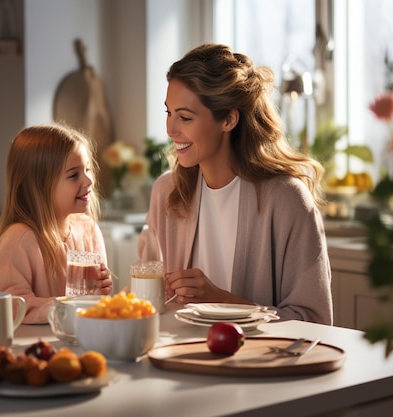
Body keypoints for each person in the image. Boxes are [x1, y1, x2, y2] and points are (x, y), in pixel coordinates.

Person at [139, 43, 332, 324]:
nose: (170, 130)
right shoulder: (167, 192)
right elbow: (148, 300)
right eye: (169, 113)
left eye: (185, 117)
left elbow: (314, 322)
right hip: (176, 356)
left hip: (255, 364)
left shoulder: (286, 199)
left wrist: (222, 301)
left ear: (228, 119)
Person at [0, 123, 113, 324]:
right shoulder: (19, 240)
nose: (89, 181)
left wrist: (100, 291)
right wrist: (72, 305)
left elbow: (91, 302)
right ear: (39, 186)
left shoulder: (88, 229)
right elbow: (10, 307)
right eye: (74, 175)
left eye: (88, 169)